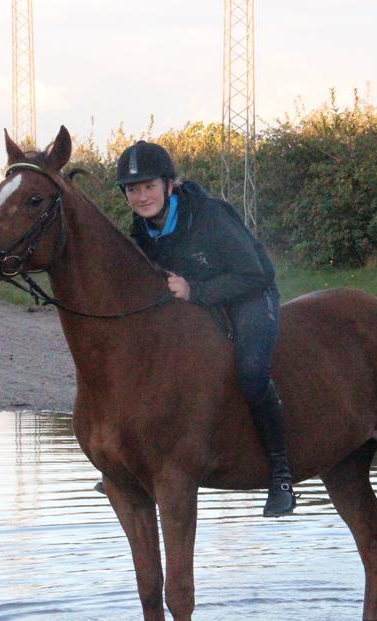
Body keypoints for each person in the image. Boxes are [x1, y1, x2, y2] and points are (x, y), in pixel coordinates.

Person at [115, 140, 297, 517]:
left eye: (149, 186)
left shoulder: (210, 214)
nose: (142, 196)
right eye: (133, 189)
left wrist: (196, 291)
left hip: (250, 295)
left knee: (250, 372)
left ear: (169, 185)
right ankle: (132, 463)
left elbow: (256, 273)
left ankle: (280, 472)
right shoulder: (142, 229)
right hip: (198, 300)